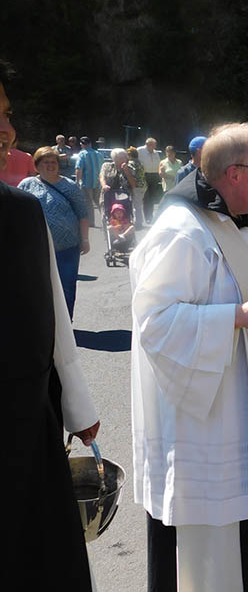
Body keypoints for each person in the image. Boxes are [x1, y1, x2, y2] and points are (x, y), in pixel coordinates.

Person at [132, 122, 248, 592]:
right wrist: (235, 317)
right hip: (214, 417)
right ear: (235, 174)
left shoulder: (240, 222)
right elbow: (155, 323)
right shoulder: (183, 230)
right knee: (218, 549)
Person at [0, 71, 101, 592]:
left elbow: (55, 317)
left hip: (20, 430)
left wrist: (78, 408)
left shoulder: (21, 211)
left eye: (8, 116)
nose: (7, 131)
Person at [19, 147, 91, 320]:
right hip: (37, 247)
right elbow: (19, 213)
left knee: (66, 286)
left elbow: (83, 214)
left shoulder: (70, 186)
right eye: (45, 162)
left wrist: (85, 239)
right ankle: (44, 323)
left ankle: (65, 323)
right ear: (37, 165)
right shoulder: (26, 184)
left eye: (53, 162)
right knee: (39, 287)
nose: (50, 166)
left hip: (67, 246)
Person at [75, 136, 103, 222]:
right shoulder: (98, 154)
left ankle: (91, 222)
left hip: (86, 182)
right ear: (90, 144)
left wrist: (77, 181)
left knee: (88, 203)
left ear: (81, 145)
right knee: (99, 202)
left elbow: (79, 168)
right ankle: (105, 219)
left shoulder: (82, 154)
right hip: (98, 182)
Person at [138, 137, 162, 223]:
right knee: (146, 197)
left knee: (152, 197)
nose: (155, 146)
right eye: (154, 145)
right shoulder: (140, 151)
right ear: (148, 144)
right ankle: (147, 217)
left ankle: (150, 216)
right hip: (144, 175)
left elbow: (159, 163)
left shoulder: (156, 153)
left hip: (154, 175)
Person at [127, 146, 147, 225]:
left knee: (136, 205)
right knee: (139, 204)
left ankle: (138, 222)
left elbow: (132, 174)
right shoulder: (140, 162)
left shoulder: (131, 163)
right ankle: (138, 220)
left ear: (130, 155)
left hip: (137, 186)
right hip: (143, 185)